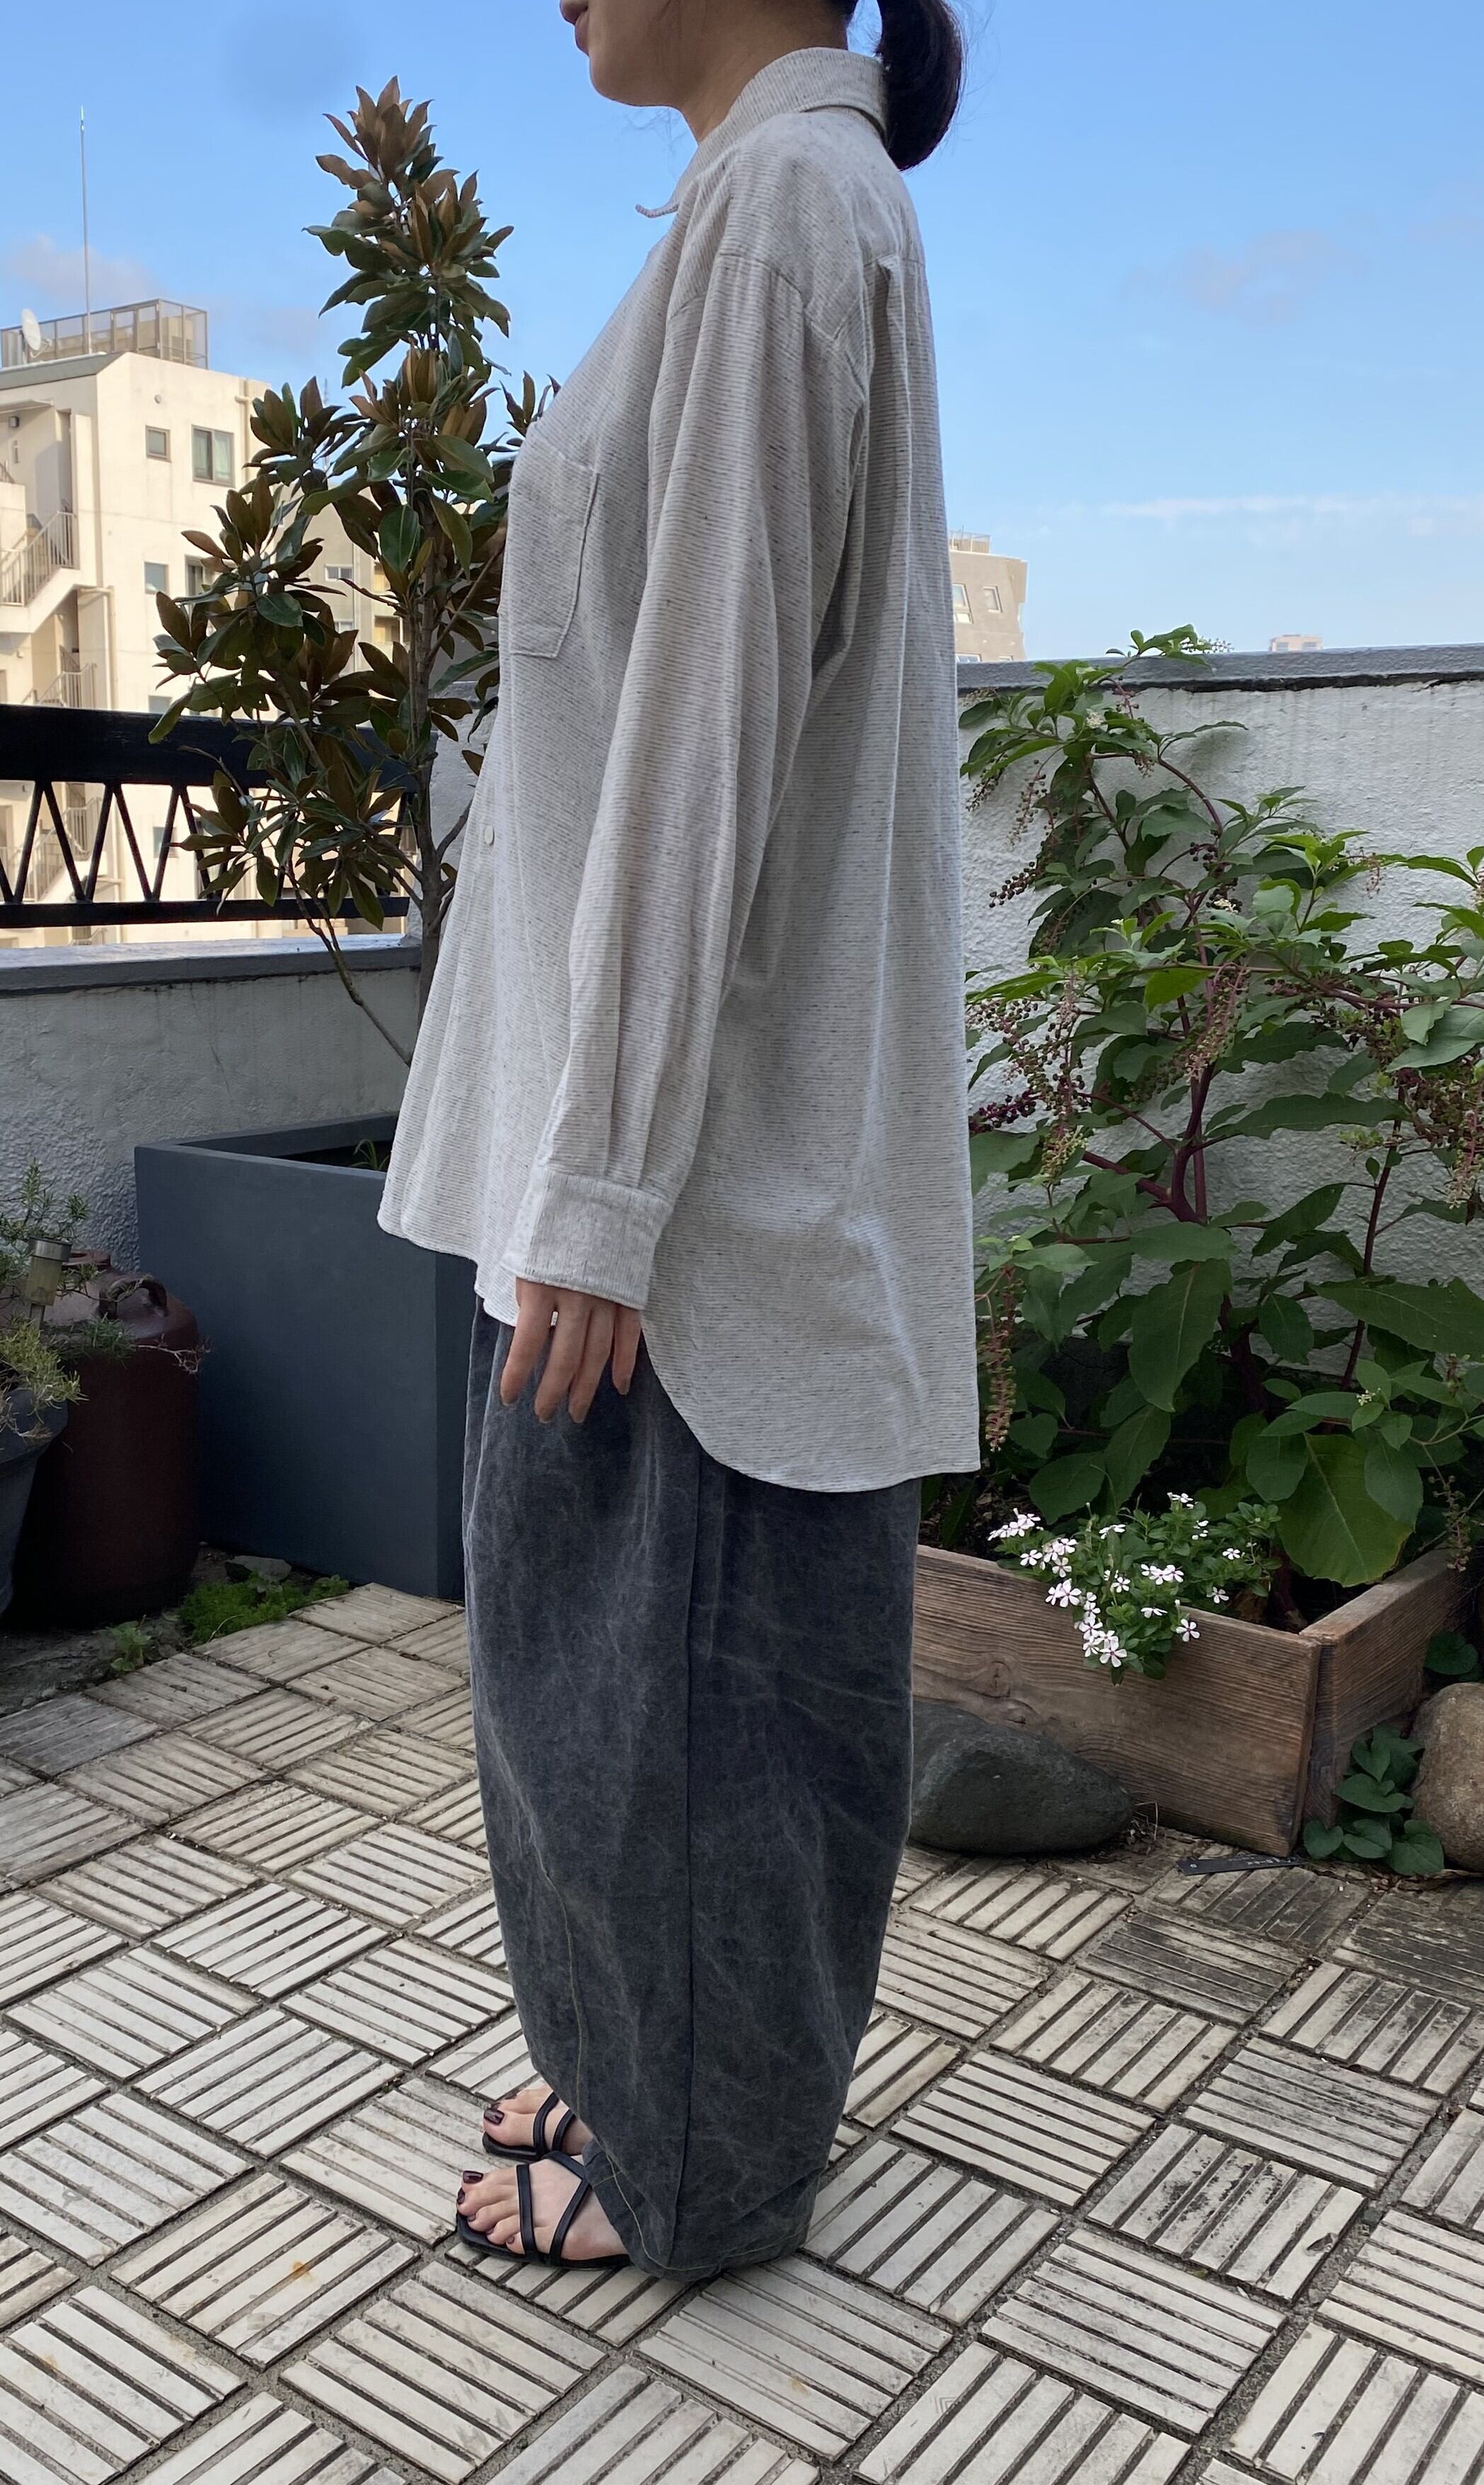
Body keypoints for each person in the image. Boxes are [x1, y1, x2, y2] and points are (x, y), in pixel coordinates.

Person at [378, 0, 978, 2278]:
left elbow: (704, 742)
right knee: (604, 1690)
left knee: (667, 1700)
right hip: (630, 1144)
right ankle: (647, 2070)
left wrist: (608, 1194)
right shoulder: (768, 201)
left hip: (679, 1195)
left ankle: (694, 2166)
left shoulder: (789, 208)